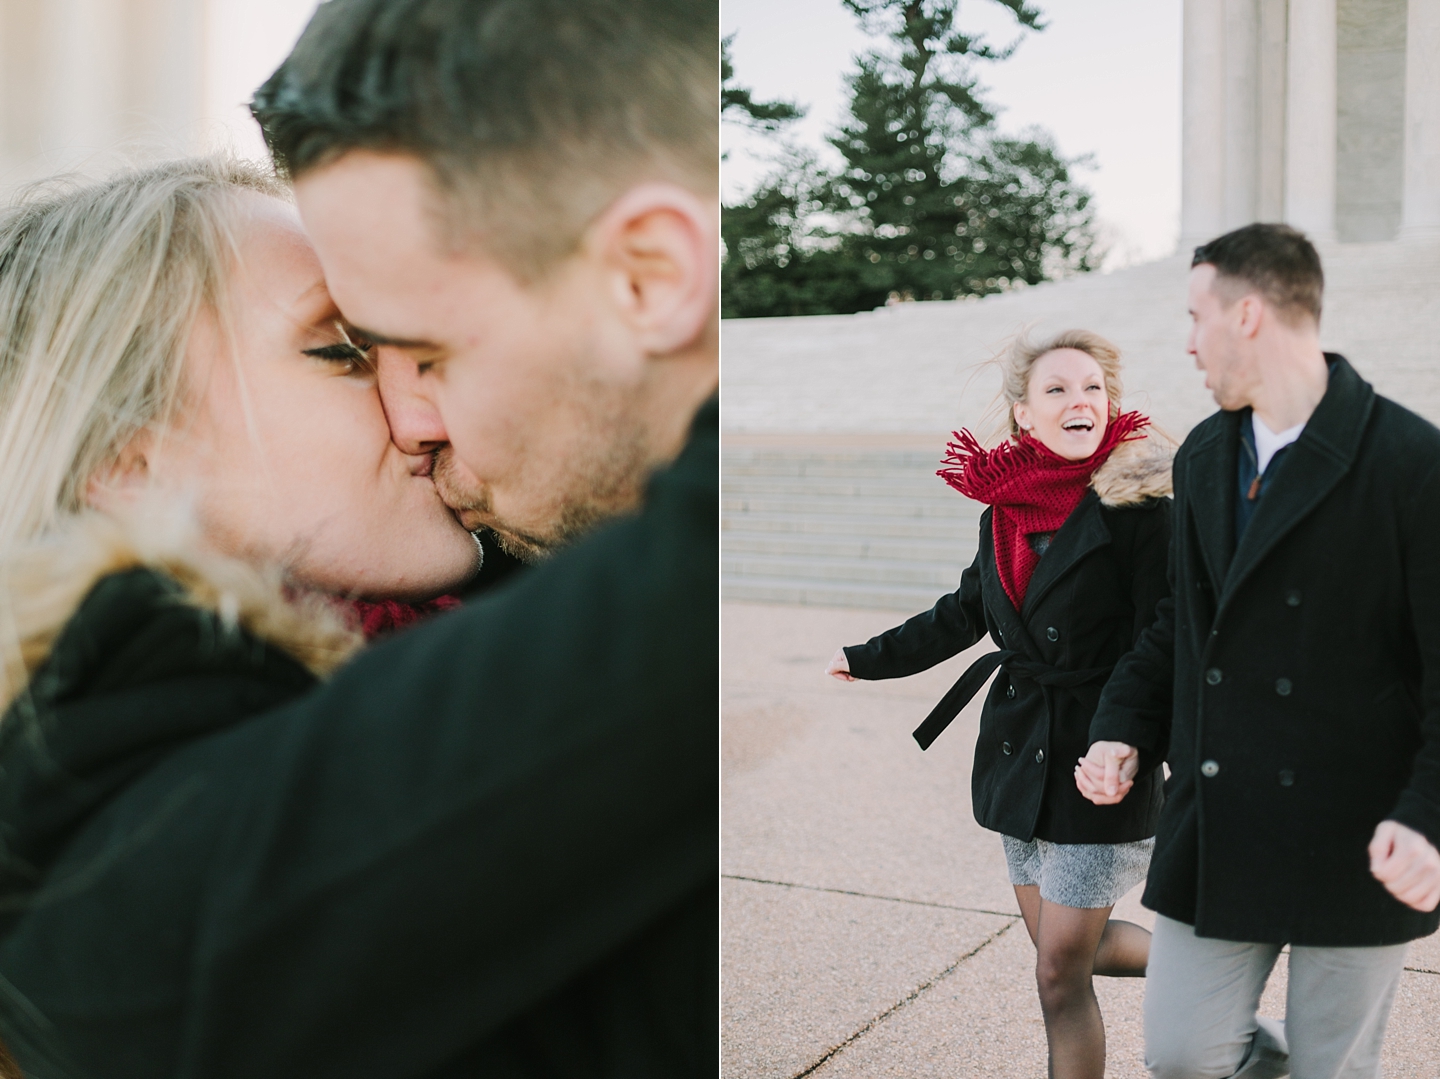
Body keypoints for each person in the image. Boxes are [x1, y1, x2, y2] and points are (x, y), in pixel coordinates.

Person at [0, 0, 718, 1075]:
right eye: (346, 352)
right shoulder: (94, 800)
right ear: (131, 459)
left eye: (421, 347)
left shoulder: (472, 608)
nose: (413, 411)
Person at [1077, 223, 1440, 1079]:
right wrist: (1123, 724)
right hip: (1222, 815)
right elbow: (1178, 621)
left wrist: (1429, 819)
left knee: (1333, 1066)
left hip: (1363, 832)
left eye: (1195, 314)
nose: (1187, 339)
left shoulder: (1412, 460)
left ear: (1247, 314)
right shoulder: (1204, 454)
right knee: (1181, 1053)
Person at [826, 330, 1173, 1079]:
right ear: (1024, 413)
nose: (1080, 401)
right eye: (1057, 389)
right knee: (1061, 947)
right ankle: (1210, 963)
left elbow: (1162, 640)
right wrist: (867, 658)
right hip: (1021, 756)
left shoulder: (1140, 506)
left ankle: (1209, 974)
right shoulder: (1004, 512)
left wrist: (1133, 741)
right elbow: (964, 610)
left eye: (1092, 387)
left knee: (1058, 973)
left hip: (1098, 757)